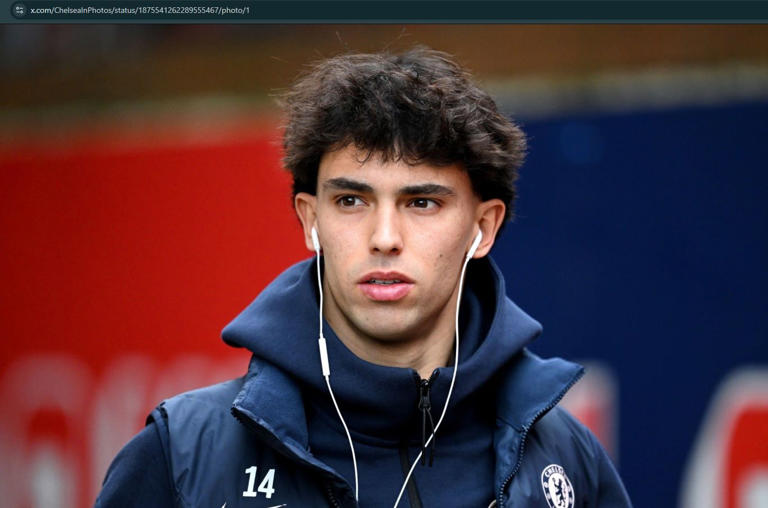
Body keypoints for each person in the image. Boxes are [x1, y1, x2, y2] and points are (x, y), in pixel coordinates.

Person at [95, 47, 631, 508]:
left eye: (421, 202)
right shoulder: (183, 454)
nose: (384, 237)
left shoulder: (565, 459)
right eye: (352, 200)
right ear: (311, 220)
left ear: (482, 228)